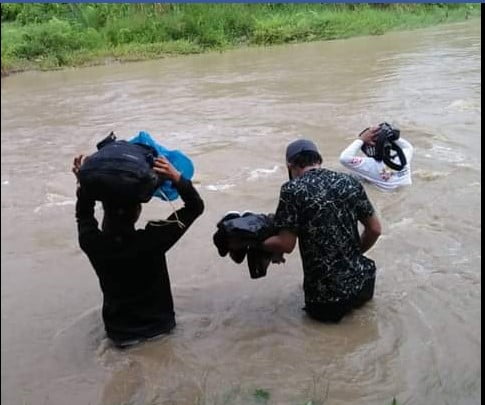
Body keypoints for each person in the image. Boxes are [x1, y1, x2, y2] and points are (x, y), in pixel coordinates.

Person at [72, 155, 204, 348]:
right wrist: (176, 176)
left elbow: (83, 214)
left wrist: (85, 183)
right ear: (137, 212)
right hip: (160, 332)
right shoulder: (153, 239)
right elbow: (195, 207)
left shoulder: (93, 243)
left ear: (104, 209)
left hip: (119, 337)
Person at [261, 139, 382, 322]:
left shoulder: (292, 190)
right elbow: (375, 229)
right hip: (363, 284)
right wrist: (351, 255)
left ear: (289, 165)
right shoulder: (349, 182)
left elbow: (286, 244)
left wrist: (254, 242)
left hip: (326, 298)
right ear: (319, 160)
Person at [339, 126, 414, 191]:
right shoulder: (403, 158)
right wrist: (391, 135)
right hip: (405, 190)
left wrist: (361, 139)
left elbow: (344, 158)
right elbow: (408, 147)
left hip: (385, 195)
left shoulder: (370, 165)